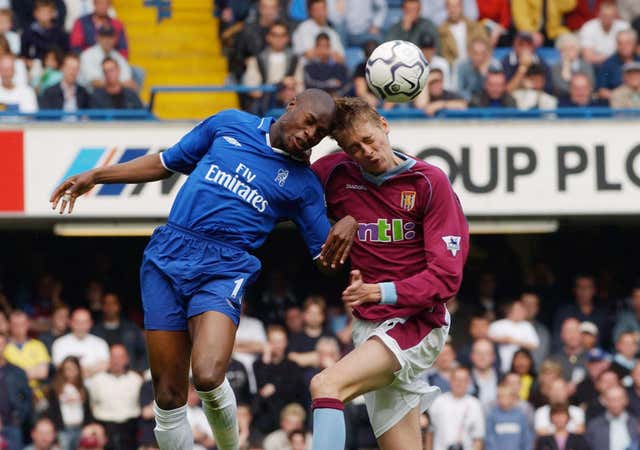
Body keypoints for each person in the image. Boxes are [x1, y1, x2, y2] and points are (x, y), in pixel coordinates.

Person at [50, 88, 355, 450]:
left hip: (226, 267)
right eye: (308, 122)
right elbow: (164, 162)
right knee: (167, 395)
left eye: (319, 132)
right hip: (168, 256)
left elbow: (326, 261)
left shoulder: (304, 185)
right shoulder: (229, 124)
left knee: (208, 375)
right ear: (291, 105)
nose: (309, 134)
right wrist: (98, 176)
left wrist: (347, 225)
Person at [310, 96, 469, 450]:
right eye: (355, 148)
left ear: (384, 124)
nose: (366, 151)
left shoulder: (428, 182)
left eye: (369, 139)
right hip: (368, 326)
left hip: (417, 322)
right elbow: (289, 189)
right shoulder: (334, 173)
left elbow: (446, 277)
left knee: (326, 385)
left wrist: (380, 291)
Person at [85, 344, 143, 450]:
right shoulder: (97, 380)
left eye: (120, 357)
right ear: (109, 358)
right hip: (104, 429)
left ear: (127, 359)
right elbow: (90, 406)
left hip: (131, 429)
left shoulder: (136, 379)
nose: (116, 361)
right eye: (113, 357)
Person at [241, 21, 303, 115]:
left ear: (287, 38)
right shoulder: (257, 60)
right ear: (268, 37)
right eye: (275, 35)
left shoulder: (295, 60)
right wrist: (279, 86)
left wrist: (290, 91)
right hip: (263, 108)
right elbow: (253, 90)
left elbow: (300, 88)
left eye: (282, 35)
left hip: (289, 107)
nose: (279, 39)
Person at [253, 325, 306, 433]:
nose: (277, 345)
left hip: (287, 413)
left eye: (280, 341)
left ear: (286, 342)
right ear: (268, 343)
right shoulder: (258, 365)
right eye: (273, 341)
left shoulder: (292, 366)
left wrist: (275, 387)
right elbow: (261, 389)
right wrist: (266, 360)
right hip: (265, 417)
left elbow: (294, 389)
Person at [426, 367, 485, 450]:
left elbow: (478, 438)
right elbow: (430, 432)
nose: (459, 383)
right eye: (456, 379)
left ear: (468, 382)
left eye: (463, 380)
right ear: (450, 380)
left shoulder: (475, 404)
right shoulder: (438, 402)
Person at [45, 356, 93, 450]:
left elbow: (87, 411)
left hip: (80, 428)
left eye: (74, 368)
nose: (71, 372)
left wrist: (87, 427)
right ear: (62, 371)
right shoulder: (55, 389)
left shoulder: (83, 389)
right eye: (67, 369)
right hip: (63, 430)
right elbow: (52, 411)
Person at [92, 292, 147, 372]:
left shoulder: (131, 328)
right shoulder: (95, 331)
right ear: (102, 307)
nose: (110, 307)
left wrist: (140, 370)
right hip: (102, 376)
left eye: (113, 303)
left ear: (119, 306)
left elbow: (145, 352)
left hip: (130, 374)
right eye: (106, 304)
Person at [3, 310, 50, 403]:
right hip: (8, 395)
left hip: (35, 394)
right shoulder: (3, 346)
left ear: (28, 324)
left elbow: (43, 372)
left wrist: (14, 374)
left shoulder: (38, 345)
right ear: (9, 325)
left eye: (22, 324)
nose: (19, 327)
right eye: (15, 324)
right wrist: (31, 370)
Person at [51, 308, 109, 378]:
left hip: (96, 384)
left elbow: (105, 366)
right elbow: (60, 367)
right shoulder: (59, 343)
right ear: (70, 322)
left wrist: (75, 369)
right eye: (77, 322)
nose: (81, 326)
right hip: (69, 383)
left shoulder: (100, 343)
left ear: (91, 323)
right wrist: (90, 369)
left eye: (85, 322)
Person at [0, 332, 32, 450]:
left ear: (6, 346)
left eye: (1, 344)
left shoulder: (17, 372)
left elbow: (27, 399)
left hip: (12, 426)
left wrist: (18, 419)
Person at [489, 299, 540, 374]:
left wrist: (514, 341)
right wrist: (502, 340)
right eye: (519, 310)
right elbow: (488, 338)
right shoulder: (498, 324)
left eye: (522, 310)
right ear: (510, 311)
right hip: (498, 365)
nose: (523, 312)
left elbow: (535, 345)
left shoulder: (527, 326)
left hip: (520, 366)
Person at [79, 24, 134, 89]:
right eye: (104, 37)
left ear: (115, 39)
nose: (107, 40)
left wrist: (115, 84)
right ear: (97, 38)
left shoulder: (119, 57)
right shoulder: (87, 55)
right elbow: (95, 82)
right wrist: (116, 84)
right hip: (91, 94)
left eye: (110, 37)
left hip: (114, 93)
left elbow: (129, 83)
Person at [585, 386, 640, 450]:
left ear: (626, 400)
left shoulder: (636, 422)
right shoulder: (594, 425)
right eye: (612, 399)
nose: (615, 403)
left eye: (619, 399)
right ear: (604, 401)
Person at [438, 0, 488, 66]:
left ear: (461, 7)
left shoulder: (475, 27)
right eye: (450, 6)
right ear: (446, 9)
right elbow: (444, 55)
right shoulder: (442, 32)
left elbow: (486, 46)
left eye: (456, 6)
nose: (453, 9)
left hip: (476, 65)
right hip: (454, 68)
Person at [579, 1, 630, 66]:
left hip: (619, 64)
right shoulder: (588, 27)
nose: (608, 18)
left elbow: (629, 52)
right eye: (605, 15)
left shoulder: (624, 26)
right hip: (596, 65)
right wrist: (612, 58)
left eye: (611, 16)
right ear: (598, 14)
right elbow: (588, 57)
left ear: (616, 16)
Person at [485, 384, 533, 450]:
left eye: (505, 396)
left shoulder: (520, 415)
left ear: (512, 398)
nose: (502, 399)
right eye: (499, 396)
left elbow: (526, 439)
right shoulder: (492, 416)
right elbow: (489, 440)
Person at [20, 0, 68, 65]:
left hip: (56, 69)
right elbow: (23, 56)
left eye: (47, 12)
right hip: (34, 68)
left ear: (53, 14)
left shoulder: (60, 34)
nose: (44, 15)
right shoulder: (28, 33)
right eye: (41, 12)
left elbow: (65, 54)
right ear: (35, 13)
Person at [302, 33, 351, 97]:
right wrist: (329, 85)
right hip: (318, 100)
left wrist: (337, 95)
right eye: (320, 46)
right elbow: (310, 84)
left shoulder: (339, 66)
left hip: (338, 99)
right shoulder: (309, 66)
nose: (323, 50)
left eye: (326, 46)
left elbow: (348, 84)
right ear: (315, 48)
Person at [595, 29, 639, 100]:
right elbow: (601, 90)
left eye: (627, 43)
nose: (624, 46)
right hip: (617, 105)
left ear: (634, 44)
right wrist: (621, 97)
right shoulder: (608, 64)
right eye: (620, 43)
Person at [511, 0, 575, 45]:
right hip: (530, 30)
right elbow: (521, 17)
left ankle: (565, 64)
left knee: (570, 42)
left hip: (553, 31)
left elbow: (569, 6)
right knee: (526, 40)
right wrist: (531, 33)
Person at [551, 33, 595, 98]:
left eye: (571, 49)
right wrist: (566, 68)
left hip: (585, 98)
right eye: (564, 49)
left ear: (577, 50)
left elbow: (591, 84)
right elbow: (557, 86)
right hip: (564, 98)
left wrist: (580, 92)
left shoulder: (585, 65)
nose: (568, 52)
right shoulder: (556, 66)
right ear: (560, 51)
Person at [469, 338, 500, 412]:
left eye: (487, 353)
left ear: (493, 357)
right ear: (471, 356)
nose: (482, 357)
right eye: (478, 353)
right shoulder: (464, 378)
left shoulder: (503, 378)